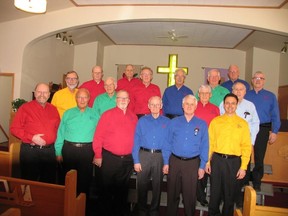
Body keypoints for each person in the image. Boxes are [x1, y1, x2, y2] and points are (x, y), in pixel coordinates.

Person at [93, 90, 138, 216]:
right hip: (109, 159)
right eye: (120, 98)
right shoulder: (107, 115)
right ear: (116, 100)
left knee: (122, 191)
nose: (123, 100)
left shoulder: (133, 117)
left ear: (129, 101)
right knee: (106, 190)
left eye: (125, 98)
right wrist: (98, 155)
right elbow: (98, 137)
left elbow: (136, 138)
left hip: (127, 160)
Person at [163, 95, 209, 216]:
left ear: (196, 106)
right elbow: (167, 143)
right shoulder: (173, 122)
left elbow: (205, 146)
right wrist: (166, 162)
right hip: (175, 161)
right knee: (172, 193)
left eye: (191, 104)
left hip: (192, 163)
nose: (189, 106)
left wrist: (202, 166)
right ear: (182, 106)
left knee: (189, 196)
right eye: (186, 104)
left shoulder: (202, 124)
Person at [206, 93, 251, 216]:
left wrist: (243, 167)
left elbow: (246, 147)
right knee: (215, 193)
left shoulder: (243, 124)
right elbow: (210, 143)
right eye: (227, 103)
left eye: (233, 103)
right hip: (217, 160)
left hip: (234, 162)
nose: (230, 105)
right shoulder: (216, 122)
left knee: (230, 194)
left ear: (236, 105)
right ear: (224, 105)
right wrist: (207, 161)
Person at [10, 83, 60, 183]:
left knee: (48, 182)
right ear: (35, 93)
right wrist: (31, 137)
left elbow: (58, 129)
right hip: (30, 151)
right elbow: (14, 128)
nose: (42, 94)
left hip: (49, 152)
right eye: (39, 92)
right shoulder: (25, 108)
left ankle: (44, 199)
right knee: (28, 182)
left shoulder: (54, 109)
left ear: (49, 95)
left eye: (45, 92)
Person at [219, 82, 259, 207]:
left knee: (241, 175)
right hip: (228, 146)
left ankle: (238, 198)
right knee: (225, 175)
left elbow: (255, 123)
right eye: (235, 89)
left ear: (245, 91)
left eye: (241, 89)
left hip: (243, 145)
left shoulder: (250, 105)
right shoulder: (223, 104)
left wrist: (250, 142)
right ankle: (222, 197)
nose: (238, 91)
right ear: (232, 90)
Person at [54, 88, 98, 195]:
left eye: (85, 97)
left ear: (89, 99)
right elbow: (60, 133)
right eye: (79, 97)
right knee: (68, 179)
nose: (82, 100)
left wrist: (97, 153)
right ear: (76, 99)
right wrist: (58, 151)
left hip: (87, 151)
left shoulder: (95, 114)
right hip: (69, 150)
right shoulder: (68, 113)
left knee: (85, 180)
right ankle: (68, 204)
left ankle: (82, 205)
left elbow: (99, 135)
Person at [132, 96, 170, 216]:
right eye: (152, 104)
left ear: (161, 106)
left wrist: (166, 162)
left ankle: (154, 210)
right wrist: (136, 160)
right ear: (148, 106)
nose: (154, 107)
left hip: (159, 156)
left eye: (157, 104)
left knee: (157, 185)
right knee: (142, 184)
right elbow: (136, 141)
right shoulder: (142, 121)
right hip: (144, 155)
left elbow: (168, 143)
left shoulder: (167, 122)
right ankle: (142, 209)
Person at [245, 71, 281, 191]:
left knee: (259, 157)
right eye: (256, 78)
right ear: (252, 80)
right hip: (247, 129)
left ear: (264, 81)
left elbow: (276, 115)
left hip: (263, 129)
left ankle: (256, 182)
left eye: (261, 78)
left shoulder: (270, 96)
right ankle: (244, 182)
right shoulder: (246, 95)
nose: (258, 80)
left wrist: (275, 131)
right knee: (246, 155)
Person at [194, 84, 220, 207]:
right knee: (192, 171)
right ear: (198, 94)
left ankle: (201, 196)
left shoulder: (215, 109)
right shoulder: (192, 106)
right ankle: (191, 195)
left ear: (210, 95)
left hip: (209, 144)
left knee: (204, 170)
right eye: (202, 93)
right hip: (194, 144)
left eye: (207, 93)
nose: (204, 95)